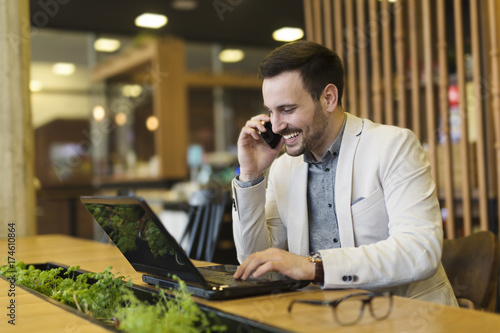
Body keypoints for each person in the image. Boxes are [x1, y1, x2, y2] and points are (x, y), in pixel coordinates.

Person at [231, 40, 457, 305]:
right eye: (270, 111)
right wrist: (250, 174)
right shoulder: (283, 168)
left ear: (329, 98)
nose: (277, 125)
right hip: (321, 319)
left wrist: (314, 266)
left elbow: (419, 251)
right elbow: (256, 263)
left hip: (408, 318)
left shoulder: (394, 146)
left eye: (287, 109)